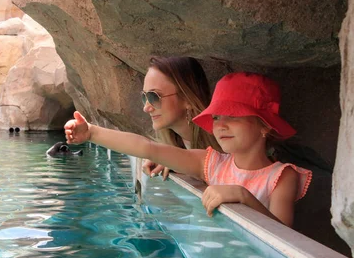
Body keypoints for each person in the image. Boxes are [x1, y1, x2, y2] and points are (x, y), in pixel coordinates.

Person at [64, 72, 312, 227]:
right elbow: (147, 147)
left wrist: (244, 196)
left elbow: (284, 237)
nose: (221, 125)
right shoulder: (211, 163)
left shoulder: (281, 177)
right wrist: (93, 133)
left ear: (264, 126)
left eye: (233, 116)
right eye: (216, 117)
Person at [140, 57, 220, 180]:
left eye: (154, 96)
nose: (146, 108)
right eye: (145, 97)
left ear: (187, 98)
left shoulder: (223, 142)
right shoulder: (170, 146)